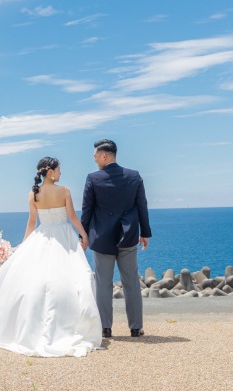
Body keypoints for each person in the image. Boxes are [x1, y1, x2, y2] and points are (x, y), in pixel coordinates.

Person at [0, 157, 102, 357]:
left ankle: (32, 325)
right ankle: (68, 323)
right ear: (50, 172)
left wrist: (25, 246)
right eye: (59, 169)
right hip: (64, 238)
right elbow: (73, 217)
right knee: (71, 279)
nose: (61, 173)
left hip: (42, 237)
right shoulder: (64, 191)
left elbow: (31, 223)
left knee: (36, 281)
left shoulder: (33, 194)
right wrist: (84, 235)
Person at [81, 139, 152, 338]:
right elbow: (142, 206)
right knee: (131, 282)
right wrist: (145, 232)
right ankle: (136, 328)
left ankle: (105, 328)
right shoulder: (134, 176)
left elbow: (87, 210)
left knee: (103, 283)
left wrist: (83, 235)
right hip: (128, 236)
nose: (94, 159)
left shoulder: (93, 178)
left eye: (95, 156)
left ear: (104, 156)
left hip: (101, 237)